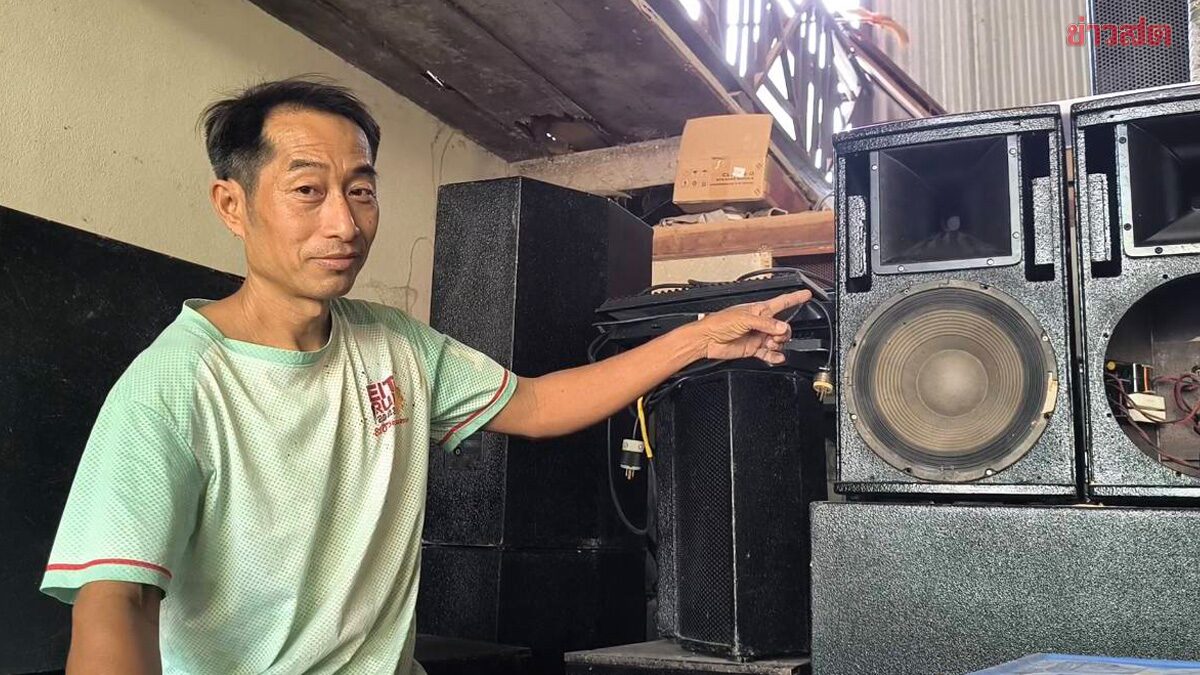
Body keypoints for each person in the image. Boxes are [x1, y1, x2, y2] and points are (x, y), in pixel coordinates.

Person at [40, 78, 811, 674]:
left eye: (361, 190)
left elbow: (538, 402)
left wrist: (699, 338)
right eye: (307, 191)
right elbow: (119, 602)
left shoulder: (395, 346)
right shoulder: (175, 383)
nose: (343, 223)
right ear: (232, 206)